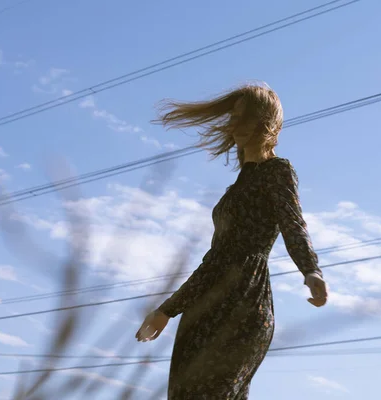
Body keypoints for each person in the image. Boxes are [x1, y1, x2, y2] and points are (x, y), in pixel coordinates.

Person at [135, 83, 329, 399]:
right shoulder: (236, 189)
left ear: (265, 121)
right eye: (233, 116)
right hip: (203, 310)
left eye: (245, 116)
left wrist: (311, 270)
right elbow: (214, 261)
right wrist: (169, 310)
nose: (235, 124)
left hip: (244, 303)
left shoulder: (277, 171)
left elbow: (293, 224)